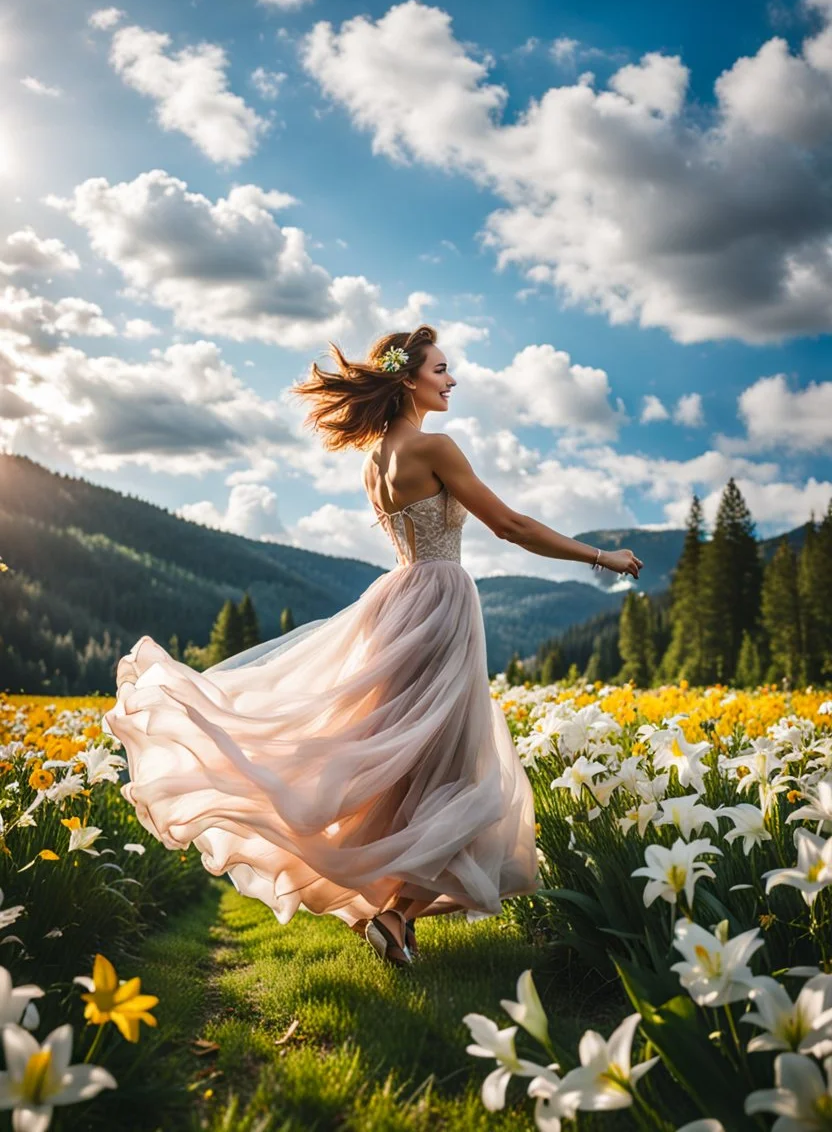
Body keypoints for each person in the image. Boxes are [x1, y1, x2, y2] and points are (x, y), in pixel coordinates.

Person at [103, 324, 643, 969]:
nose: (450, 379)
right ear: (408, 378)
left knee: (412, 767)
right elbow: (511, 524)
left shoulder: (372, 463)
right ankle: (393, 914)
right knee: (459, 769)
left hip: (397, 602)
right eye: (440, 369)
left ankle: (397, 919)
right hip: (440, 604)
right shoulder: (436, 448)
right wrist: (599, 555)